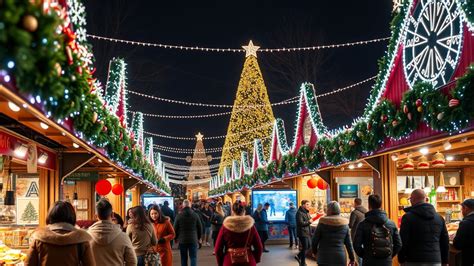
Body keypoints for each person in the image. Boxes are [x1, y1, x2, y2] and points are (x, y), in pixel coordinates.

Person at [26, 201, 96, 266]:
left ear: (50, 215)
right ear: (72, 216)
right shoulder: (81, 239)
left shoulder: (39, 237)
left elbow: (29, 264)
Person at [398, 189, 449, 266]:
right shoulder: (439, 218)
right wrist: (445, 261)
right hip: (435, 260)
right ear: (426, 199)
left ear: (412, 200)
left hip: (413, 260)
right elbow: (445, 241)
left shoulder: (408, 217)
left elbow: (403, 240)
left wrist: (401, 259)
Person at [353, 194, 402, 266]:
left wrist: (366, 255)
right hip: (386, 262)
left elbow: (356, 245)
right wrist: (389, 255)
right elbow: (398, 244)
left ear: (369, 205)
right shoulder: (391, 224)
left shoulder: (363, 224)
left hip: (369, 262)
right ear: (381, 204)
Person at [88, 199, 137, 266]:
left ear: (96, 216)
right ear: (112, 214)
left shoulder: (87, 236)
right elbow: (132, 262)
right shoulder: (123, 236)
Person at [215, 201, 263, 266]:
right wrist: (255, 259)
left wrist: (221, 262)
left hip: (229, 261)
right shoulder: (251, 226)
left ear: (232, 212)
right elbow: (259, 247)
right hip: (248, 261)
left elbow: (218, 249)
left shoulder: (225, 226)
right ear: (244, 212)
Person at [311, 201, 355, 266]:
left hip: (324, 257)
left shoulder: (322, 223)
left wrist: (314, 252)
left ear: (328, 210)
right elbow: (349, 244)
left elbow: (314, 240)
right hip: (340, 257)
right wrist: (352, 258)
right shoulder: (344, 224)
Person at [174, 199, 203, 266]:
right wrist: (199, 237)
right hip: (193, 239)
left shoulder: (179, 215)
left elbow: (175, 228)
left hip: (182, 240)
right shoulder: (195, 215)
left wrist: (175, 238)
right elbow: (200, 227)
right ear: (190, 205)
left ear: (183, 206)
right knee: (193, 257)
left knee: (183, 258)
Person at [295, 199, 319, 266]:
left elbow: (309, 219)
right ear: (303, 205)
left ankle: (298, 256)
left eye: (309, 204)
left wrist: (316, 216)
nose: (309, 206)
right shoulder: (299, 213)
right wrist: (309, 221)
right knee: (305, 247)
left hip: (307, 232)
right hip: (302, 233)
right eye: (307, 204)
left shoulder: (306, 212)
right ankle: (303, 263)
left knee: (308, 246)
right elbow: (301, 223)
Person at [453, 198, 474, 266]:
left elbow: (457, 244)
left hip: (469, 258)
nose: (461, 211)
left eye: (462, 208)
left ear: (466, 208)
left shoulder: (465, 223)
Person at [349, 198, 367, 265]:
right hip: (365, 234)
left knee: (358, 252)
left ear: (355, 203)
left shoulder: (354, 213)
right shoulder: (366, 211)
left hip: (356, 235)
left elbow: (351, 225)